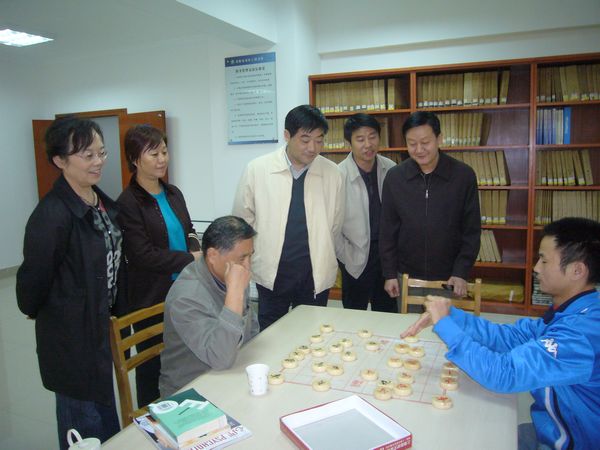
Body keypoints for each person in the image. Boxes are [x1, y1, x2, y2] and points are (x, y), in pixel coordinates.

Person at [402, 217, 600, 450]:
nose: (536, 268)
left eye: (544, 260)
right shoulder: (573, 312)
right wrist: (452, 316)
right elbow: (509, 338)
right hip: (549, 428)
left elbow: (504, 374)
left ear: (577, 270)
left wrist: (447, 328)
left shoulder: (581, 334)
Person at [16, 117, 124, 449]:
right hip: (70, 335)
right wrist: (52, 310)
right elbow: (32, 282)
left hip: (97, 324)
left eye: (101, 153)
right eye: (87, 155)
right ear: (60, 160)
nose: (98, 162)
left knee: (105, 415)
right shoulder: (52, 215)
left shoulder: (99, 201)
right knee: (82, 421)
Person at [233, 105, 344, 330]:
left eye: (319, 140)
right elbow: (242, 223)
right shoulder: (258, 170)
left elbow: (335, 224)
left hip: (315, 274)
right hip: (273, 274)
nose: (312, 148)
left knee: (312, 334)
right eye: (305, 140)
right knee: (271, 334)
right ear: (287, 135)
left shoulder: (333, 173)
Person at [116, 124, 200, 408]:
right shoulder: (128, 203)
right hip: (151, 295)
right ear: (135, 159)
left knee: (182, 357)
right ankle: (149, 419)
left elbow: (188, 230)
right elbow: (143, 255)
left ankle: (184, 410)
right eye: (154, 154)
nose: (162, 159)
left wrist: (195, 248)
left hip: (184, 289)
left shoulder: (173, 193)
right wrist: (190, 259)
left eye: (164, 151)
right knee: (151, 365)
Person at [379, 111, 480, 300]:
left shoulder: (463, 176)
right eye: (412, 143)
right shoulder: (395, 178)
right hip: (406, 277)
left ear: (439, 139)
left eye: (425, 142)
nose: (419, 150)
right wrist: (390, 273)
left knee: (445, 321)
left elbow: (471, 231)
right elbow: (387, 230)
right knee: (408, 320)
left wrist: (461, 271)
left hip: (449, 278)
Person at [159, 216, 260, 397]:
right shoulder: (186, 296)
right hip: (190, 391)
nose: (247, 266)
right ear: (212, 255)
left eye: (250, 256)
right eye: (242, 258)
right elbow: (220, 358)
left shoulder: (231, 274)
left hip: (228, 373)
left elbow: (251, 333)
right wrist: (235, 294)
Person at [336, 113, 396, 312]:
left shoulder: (392, 169)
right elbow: (332, 226)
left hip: (386, 256)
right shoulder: (338, 175)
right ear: (350, 142)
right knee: (354, 314)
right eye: (360, 139)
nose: (368, 144)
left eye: (372, 137)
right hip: (354, 256)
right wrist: (345, 255)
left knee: (387, 313)